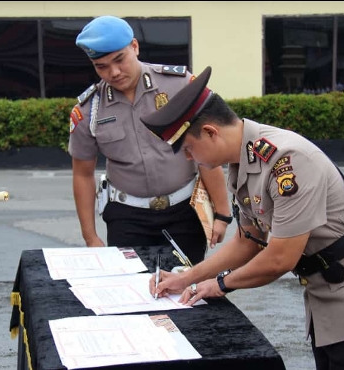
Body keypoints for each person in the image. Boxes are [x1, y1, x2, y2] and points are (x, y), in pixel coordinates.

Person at [141, 66, 344, 370]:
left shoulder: (287, 162)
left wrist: (219, 284)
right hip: (328, 290)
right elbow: (249, 241)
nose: (190, 159)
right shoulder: (242, 162)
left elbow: (279, 259)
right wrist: (188, 278)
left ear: (210, 132)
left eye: (189, 149)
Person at [68, 15, 230, 264]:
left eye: (119, 59)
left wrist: (222, 212)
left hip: (184, 212)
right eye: (101, 66)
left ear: (134, 47)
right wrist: (90, 237)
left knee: (187, 288)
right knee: (132, 294)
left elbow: (206, 155)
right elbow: (82, 174)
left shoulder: (179, 86)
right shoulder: (90, 110)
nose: (114, 72)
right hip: (126, 218)